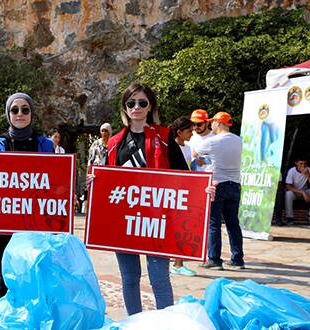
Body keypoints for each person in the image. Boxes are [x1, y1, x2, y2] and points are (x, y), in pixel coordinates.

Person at [90, 83, 189, 316]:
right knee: (130, 278)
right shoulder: (114, 142)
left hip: (156, 221)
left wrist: (205, 192)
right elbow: (108, 182)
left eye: (142, 102)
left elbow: (185, 178)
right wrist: (95, 182)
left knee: (159, 278)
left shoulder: (165, 137)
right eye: (131, 103)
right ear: (124, 107)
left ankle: (164, 323)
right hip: (124, 222)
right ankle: (134, 322)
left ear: (150, 106)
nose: (136, 107)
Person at [0, 92, 54, 305]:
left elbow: (55, 181)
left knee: (34, 282)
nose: (20, 114)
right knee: (1, 282)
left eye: (25, 109)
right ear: (8, 114)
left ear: (32, 114)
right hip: (1, 228)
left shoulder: (45, 145)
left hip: (34, 227)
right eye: (15, 110)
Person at [196, 111, 245, 270]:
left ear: (219, 123)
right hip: (235, 184)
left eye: (212, 122)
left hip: (218, 185)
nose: (210, 125)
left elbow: (196, 155)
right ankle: (237, 259)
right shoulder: (239, 140)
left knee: (214, 223)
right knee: (233, 223)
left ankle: (214, 259)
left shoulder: (213, 142)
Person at [168, 116, 197, 277]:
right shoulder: (170, 148)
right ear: (179, 132)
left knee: (182, 228)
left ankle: (178, 263)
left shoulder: (187, 147)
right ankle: (176, 262)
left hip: (184, 191)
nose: (192, 134)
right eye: (189, 131)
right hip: (173, 192)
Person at [282, 157, 310, 226]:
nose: (303, 166)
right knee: (288, 194)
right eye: (301, 163)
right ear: (296, 163)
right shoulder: (292, 171)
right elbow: (288, 186)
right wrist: (302, 192)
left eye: (305, 164)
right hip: (295, 192)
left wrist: (308, 175)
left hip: (305, 191)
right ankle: (289, 218)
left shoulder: (308, 170)